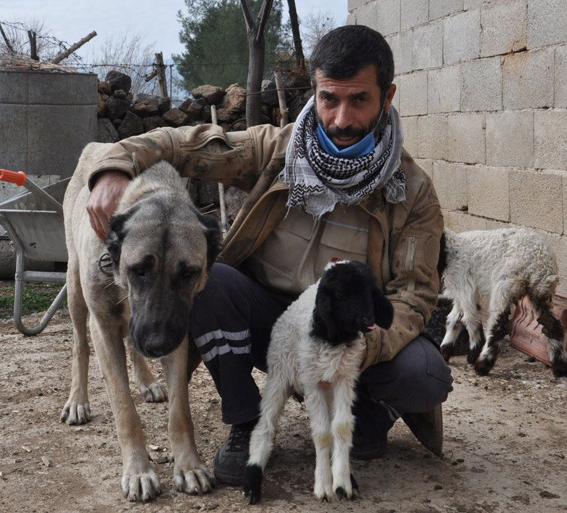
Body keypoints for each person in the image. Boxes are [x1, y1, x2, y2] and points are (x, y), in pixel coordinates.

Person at [84, 24, 453, 486]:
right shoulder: (274, 151)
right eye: (328, 99)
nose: (340, 119)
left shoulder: (412, 192)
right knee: (208, 282)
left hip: (344, 335)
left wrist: (361, 347)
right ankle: (246, 422)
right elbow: (182, 143)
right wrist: (113, 168)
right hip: (266, 323)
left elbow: (415, 297)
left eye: (358, 99)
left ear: (387, 96)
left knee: (425, 373)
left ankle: (368, 414)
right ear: (314, 93)